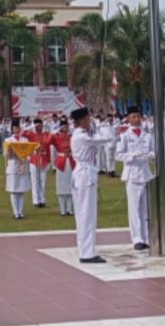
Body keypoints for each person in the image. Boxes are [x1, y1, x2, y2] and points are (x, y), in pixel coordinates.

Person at [70, 106, 114, 263]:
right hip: (84, 174)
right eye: (88, 119)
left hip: (83, 173)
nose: (90, 121)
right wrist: (104, 124)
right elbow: (107, 138)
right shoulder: (81, 136)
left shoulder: (82, 134)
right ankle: (87, 252)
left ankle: (85, 249)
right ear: (82, 121)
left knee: (84, 214)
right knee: (86, 215)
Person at [115, 105, 154, 251]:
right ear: (128, 119)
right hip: (132, 174)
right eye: (133, 117)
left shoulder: (147, 135)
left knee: (145, 208)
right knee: (134, 208)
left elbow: (154, 151)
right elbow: (118, 154)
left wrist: (150, 155)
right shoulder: (124, 136)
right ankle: (137, 238)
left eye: (138, 116)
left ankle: (146, 237)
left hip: (145, 173)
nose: (137, 119)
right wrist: (132, 156)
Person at [3, 121, 32, 220]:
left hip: (22, 165)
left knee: (22, 189)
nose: (17, 130)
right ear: (12, 129)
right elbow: (5, 155)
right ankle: (15, 212)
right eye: (15, 128)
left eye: (18, 128)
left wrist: (25, 157)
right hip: (13, 164)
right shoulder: (8, 140)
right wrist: (10, 152)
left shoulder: (25, 140)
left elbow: (29, 153)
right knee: (14, 189)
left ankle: (21, 211)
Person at [26, 118, 52, 208]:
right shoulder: (31, 135)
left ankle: (42, 199)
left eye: (40, 125)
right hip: (34, 158)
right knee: (35, 181)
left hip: (44, 158)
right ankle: (36, 200)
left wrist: (49, 160)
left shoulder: (45, 134)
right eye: (37, 126)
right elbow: (23, 132)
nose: (39, 127)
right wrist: (32, 126)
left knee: (43, 181)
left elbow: (48, 147)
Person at [50, 119, 74, 216]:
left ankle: (69, 208)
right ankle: (62, 209)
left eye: (66, 126)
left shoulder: (71, 136)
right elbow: (49, 139)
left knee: (70, 185)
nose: (65, 128)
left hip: (71, 161)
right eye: (63, 126)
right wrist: (57, 130)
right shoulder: (56, 137)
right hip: (61, 161)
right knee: (61, 186)